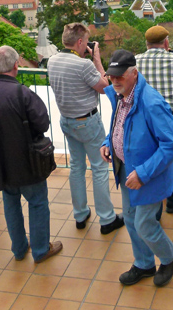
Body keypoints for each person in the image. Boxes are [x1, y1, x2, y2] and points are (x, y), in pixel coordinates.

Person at [0, 46, 63, 263]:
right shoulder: (23, 93)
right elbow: (42, 123)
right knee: (37, 202)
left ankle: (19, 249)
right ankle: (41, 250)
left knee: (10, 203)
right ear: (16, 65)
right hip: (27, 162)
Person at [100, 50, 173, 288]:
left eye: (120, 76)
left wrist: (143, 173)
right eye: (112, 75)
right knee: (130, 219)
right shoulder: (121, 94)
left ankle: (169, 256)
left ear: (134, 73)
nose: (115, 80)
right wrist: (108, 143)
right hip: (127, 169)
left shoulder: (151, 102)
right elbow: (119, 126)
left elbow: (172, 144)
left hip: (148, 175)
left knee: (145, 223)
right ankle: (144, 263)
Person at [47, 23, 124, 234]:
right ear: (80, 42)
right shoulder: (83, 65)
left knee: (77, 167)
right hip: (87, 122)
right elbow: (106, 87)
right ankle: (107, 219)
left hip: (67, 121)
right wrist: (97, 59)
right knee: (99, 168)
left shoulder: (52, 61)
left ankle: (80, 214)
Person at [136, 25, 173, 214]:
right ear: (166, 42)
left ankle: (155, 202)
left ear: (146, 44)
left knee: (151, 158)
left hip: (146, 121)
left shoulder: (136, 60)